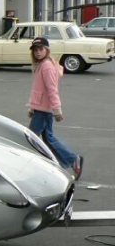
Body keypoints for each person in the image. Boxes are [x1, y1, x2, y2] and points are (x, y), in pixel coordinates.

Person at [27, 36, 84, 179]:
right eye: (35, 50)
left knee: (30, 139)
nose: (38, 52)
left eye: (40, 49)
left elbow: (52, 90)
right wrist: (32, 106)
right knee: (48, 139)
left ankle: (40, 166)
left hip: (44, 110)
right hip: (41, 108)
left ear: (47, 50)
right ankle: (72, 159)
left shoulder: (46, 66)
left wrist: (57, 109)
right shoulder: (42, 64)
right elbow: (37, 89)